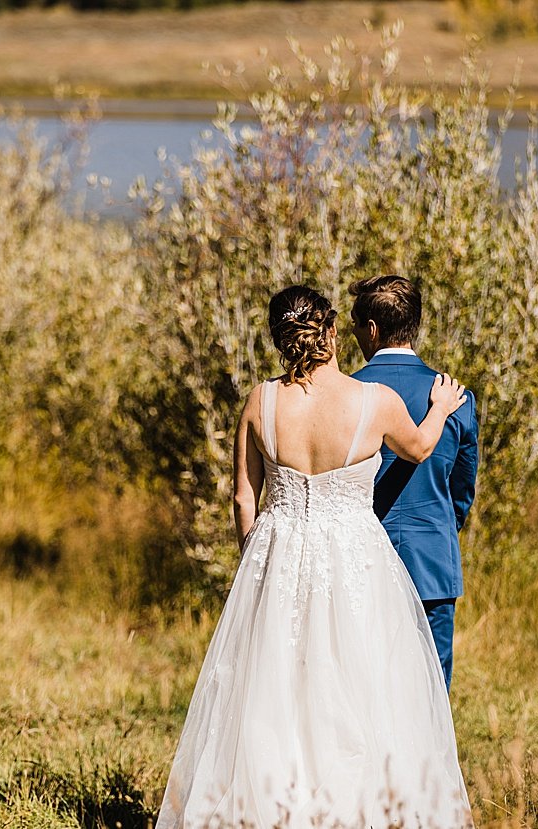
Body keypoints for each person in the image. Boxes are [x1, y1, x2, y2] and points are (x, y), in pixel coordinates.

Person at [155, 286, 471, 828]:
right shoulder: (372, 401)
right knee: (362, 685)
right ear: (328, 332)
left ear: (281, 340)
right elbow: (419, 449)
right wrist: (440, 407)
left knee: (275, 690)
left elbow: (242, 497)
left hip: (278, 555)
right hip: (354, 558)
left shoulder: (260, 401)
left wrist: (258, 560)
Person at [348, 275, 479, 690]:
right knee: (431, 689)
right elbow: (463, 488)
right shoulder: (455, 397)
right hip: (433, 559)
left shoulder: (347, 393)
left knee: (363, 685)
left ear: (371, 329)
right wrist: (440, 527)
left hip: (359, 561)